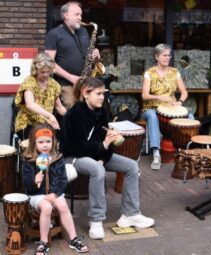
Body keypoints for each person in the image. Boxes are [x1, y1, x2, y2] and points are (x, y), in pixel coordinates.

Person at [61, 77, 154, 240]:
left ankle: (130, 214)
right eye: (98, 94)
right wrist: (102, 146)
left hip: (96, 155)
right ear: (85, 93)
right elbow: (74, 147)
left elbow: (106, 140)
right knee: (97, 170)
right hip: (73, 157)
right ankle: (96, 220)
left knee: (131, 166)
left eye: (103, 93)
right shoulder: (73, 115)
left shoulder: (102, 111)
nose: (102, 97)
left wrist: (103, 157)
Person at [22, 123, 88, 255]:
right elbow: (26, 184)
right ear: (34, 143)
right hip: (37, 196)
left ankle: (74, 238)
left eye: (48, 141)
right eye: (41, 142)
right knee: (46, 207)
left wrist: (55, 194)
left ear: (53, 141)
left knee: (63, 205)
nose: (45, 145)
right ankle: (43, 242)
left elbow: (62, 180)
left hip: (55, 193)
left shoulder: (57, 159)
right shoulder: (29, 161)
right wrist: (34, 181)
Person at [141, 43, 192, 170]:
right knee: (152, 116)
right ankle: (156, 154)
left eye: (169, 55)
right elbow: (144, 96)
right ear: (156, 56)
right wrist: (159, 97)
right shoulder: (149, 73)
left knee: (190, 116)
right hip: (151, 108)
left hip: (171, 108)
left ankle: (187, 151)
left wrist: (180, 102)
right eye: (164, 55)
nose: (167, 58)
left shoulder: (175, 72)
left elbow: (184, 92)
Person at [45, 1, 100, 109]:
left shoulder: (84, 32)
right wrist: (72, 78)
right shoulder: (54, 34)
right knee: (72, 113)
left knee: (87, 114)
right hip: (66, 85)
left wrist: (96, 56)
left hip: (86, 83)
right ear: (66, 16)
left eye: (81, 14)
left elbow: (90, 57)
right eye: (76, 14)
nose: (80, 17)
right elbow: (49, 63)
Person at [14, 52, 66, 140]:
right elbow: (30, 104)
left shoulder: (54, 84)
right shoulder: (29, 82)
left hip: (46, 125)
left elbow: (59, 107)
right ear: (35, 69)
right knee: (42, 139)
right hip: (27, 125)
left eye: (48, 72)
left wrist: (72, 117)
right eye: (42, 72)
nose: (46, 75)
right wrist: (50, 116)